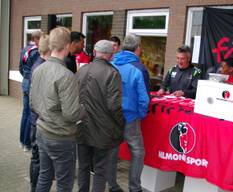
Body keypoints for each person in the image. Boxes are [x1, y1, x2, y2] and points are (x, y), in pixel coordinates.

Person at [30, 27, 83, 192]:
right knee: (64, 183)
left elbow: (32, 103)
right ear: (67, 46)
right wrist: (84, 109)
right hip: (60, 136)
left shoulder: (38, 69)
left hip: (42, 131)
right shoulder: (66, 76)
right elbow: (71, 113)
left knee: (44, 176)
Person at [76, 40, 125, 192]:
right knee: (100, 169)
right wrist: (121, 123)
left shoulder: (82, 70)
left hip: (81, 126)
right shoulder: (112, 73)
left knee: (83, 166)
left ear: (96, 53)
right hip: (102, 130)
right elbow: (114, 106)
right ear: (110, 55)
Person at [107, 34, 150, 192]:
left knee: (112, 151)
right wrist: (140, 114)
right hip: (130, 117)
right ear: (138, 48)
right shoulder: (139, 68)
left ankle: (112, 185)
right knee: (138, 152)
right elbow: (144, 98)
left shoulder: (111, 63)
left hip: (112, 116)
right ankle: (135, 188)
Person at [29, 34, 51, 192]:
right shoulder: (42, 68)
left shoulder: (38, 64)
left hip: (35, 120)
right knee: (39, 160)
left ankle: (34, 187)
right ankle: (35, 187)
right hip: (39, 121)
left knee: (36, 158)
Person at [19, 30, 41, 151]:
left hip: (25, 82)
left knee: (25, 113)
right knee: (30, 115)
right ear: (37, 38)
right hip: (31, 83)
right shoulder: (36, 52)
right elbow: (36, 70)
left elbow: (20, 68)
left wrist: (26, 78)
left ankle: (22, 141)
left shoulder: (25, 49)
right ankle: (27, 143)